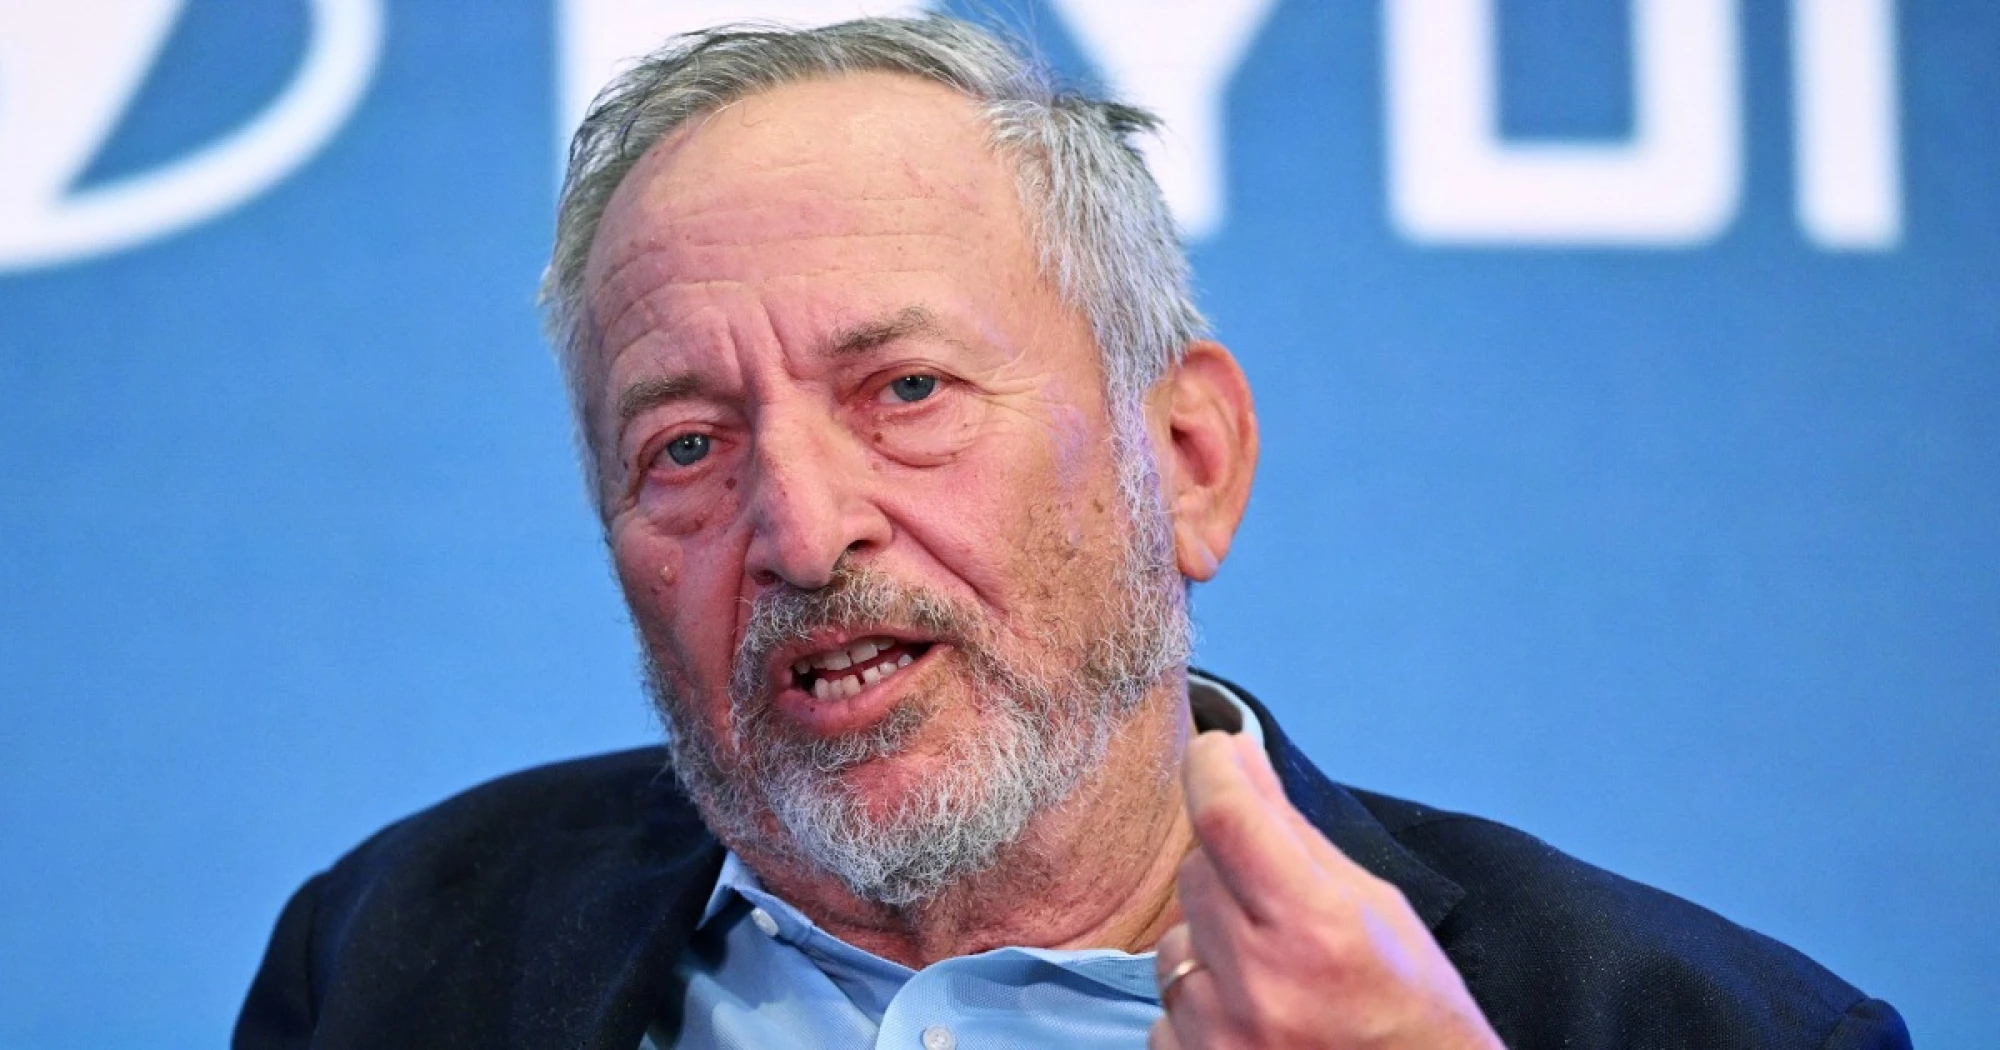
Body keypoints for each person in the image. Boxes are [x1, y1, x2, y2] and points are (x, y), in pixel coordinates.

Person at [236, 15, 1909, 1049]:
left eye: (906, 391)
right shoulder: (394, 950)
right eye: (687, 445)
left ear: (1188, 458)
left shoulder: (1682, 1023)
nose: (803, 529)